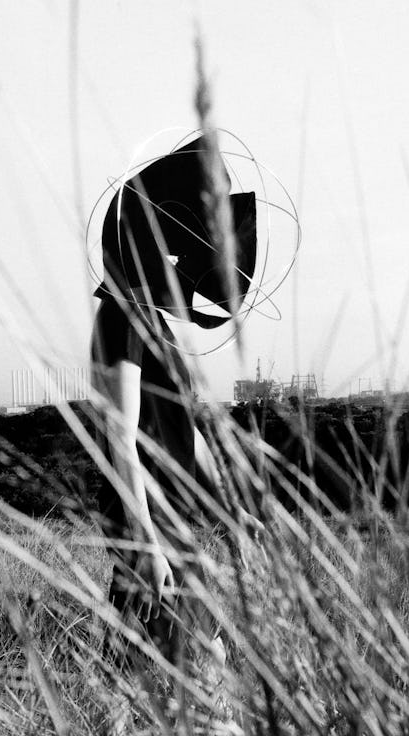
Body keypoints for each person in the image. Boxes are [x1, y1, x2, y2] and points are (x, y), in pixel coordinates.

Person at [90, 133, 261, 672]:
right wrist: (146, 543)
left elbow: (184, 433)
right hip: (148, 524)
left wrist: (231, 510)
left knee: (173, 671)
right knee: (191, 669)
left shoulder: (151, 324)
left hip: (172, 527)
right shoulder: (118, 320)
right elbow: (121, 440)